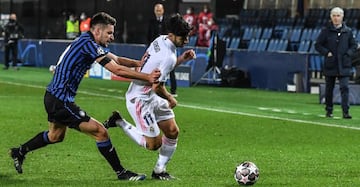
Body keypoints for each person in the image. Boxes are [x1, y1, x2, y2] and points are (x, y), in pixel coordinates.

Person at [9, 12, 161, 181]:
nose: (112, 36)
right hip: (61, 101)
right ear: (97, 31)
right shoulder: (89, 44)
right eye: (109, 33)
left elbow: (117, 59)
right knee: (100, 131)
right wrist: (147, 77)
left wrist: (141, 64)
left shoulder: (88, 41)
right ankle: (121, 173)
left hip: (53, 97)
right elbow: (116, 69)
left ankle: (19, 151)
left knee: (55, 136)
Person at [104, 14, 195, 180]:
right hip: (140, 99)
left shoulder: (160, 40)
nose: (187, 40)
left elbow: (163, 67)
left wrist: (182, 58)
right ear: (172, 34)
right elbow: (157, 86)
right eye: (184, 37)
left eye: (188, 36)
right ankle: (119, 121)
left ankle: (159, 170)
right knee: (154, 145)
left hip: (151, 96)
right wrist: (170, 98)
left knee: (172, 131)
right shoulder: (169, 55)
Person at [315, 7, 357, 119]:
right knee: (329, 89)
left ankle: (345, 112)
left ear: (342, 17)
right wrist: (326, 52)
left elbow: (354, 45)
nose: (336, 18)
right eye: (334, 16)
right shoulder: (326, 31)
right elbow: (318, 45)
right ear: (331, 17)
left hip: (344, 65)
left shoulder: (348, 32)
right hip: (331, 64)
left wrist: (348, 54)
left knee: (344, 88)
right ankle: (329, 110)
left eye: (338, 16)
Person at [147, 3, 177, 96]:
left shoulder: (167, 21)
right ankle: (151, 87)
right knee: (153, 68)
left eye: (159, 10)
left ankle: (173, 90)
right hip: (155, 49)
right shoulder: (151, 22)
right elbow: (149, 35)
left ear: (163, 11)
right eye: (156, 10)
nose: (158, 12)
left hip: (166, 48)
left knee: (170, 68)